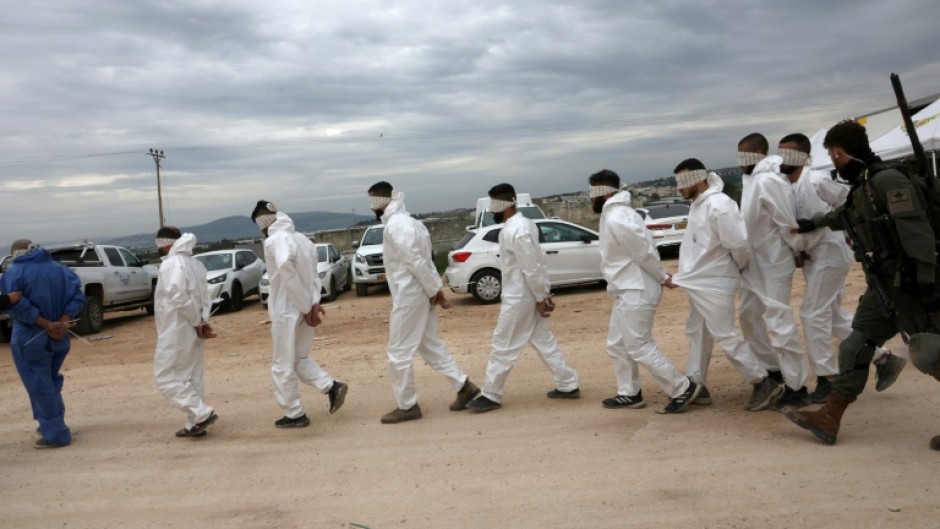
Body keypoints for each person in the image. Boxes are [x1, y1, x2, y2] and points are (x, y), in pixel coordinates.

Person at [783, 120, 939, 447]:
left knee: (931, 354)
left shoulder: (888, 180)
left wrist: (926, 282)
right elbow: (847, 215)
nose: (833, 161)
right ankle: (829, 417)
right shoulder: (864, 185)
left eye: (833, 155)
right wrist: (814, 222)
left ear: (839, 152)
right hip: (885, 284)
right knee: (855, 346)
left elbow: (917, 232)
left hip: (911, 284)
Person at [779, 133, 906, 403]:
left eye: (788, 154)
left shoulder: (816, 180)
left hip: (830, 253)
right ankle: (883, 358)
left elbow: (849, 200)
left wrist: (850, 231)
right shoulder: (787, 186)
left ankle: (828, 377)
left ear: (802, 156)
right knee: (832, 315)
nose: (783, 160)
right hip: (815, 256)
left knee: (813, 314)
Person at [671, 159, 784, 411]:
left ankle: (762, 381)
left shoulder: (719, 204)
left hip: (714, 281)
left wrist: (734, 270)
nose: (679, 188)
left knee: (725, 334)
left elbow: (739, 244)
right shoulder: (698, 205)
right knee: (697, 330)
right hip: (700, 281)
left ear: (699, 179)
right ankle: (696, 383)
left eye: (683, 182)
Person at [588, 169, 701, 414]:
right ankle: (629, 393)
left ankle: (681, 388)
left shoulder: (618, 217)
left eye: (591, 192)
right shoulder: (614, 215)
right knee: (617, 345)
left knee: (639, 345)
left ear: (602, 192)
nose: (589, 198)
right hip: (624, 289)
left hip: (636, 290)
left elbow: (643, 252)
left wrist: (662, 277)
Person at [367, 182, 480, 423]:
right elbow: (426, 261)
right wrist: (434, 289)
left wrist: (432, 289)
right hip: (419, 292)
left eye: (372, 201)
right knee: (429, 345)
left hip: (410, 295)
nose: (371, 207)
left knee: (398, 352)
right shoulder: (413, 224)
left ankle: (407, 406)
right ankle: (464, 387)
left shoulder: (396, 226)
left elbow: (415, 261)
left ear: (380, 201)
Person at [468, 183, 579, 412]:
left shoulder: (517, 229)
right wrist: (542, 293)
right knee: (543, 340)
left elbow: (531, 267)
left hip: (520, 296)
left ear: (505, 204)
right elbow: (536, 264)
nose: (492, 211)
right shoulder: (522, 225)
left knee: (503, 343)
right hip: (526, 293)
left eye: (493, 205)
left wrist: (541, 296)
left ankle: (491, 393)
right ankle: (567, 383)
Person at [251, 200, 348, 428]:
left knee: (282, 363)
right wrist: (313, 302)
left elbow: (286, 270)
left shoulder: (276, 240)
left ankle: (294, 414)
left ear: (262, 223)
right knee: (297, 359)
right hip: (304, 306)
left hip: (288, 309)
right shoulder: (303, 239)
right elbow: (313, 275)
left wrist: (306, 306)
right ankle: (331, 386)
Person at [737, 133, 809, 408]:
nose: (740, 161)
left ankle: (796, 385)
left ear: (758, 153)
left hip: (775, 260)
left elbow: (786, 221)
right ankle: (772, 368)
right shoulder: (752, 180)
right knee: (748, 315)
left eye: (744, 155)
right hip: (754, 262)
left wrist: (797, 248)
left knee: (779, 321)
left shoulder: (768, 181)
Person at [1, 239, 84, 448]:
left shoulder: (13, 273)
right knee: (50, 380)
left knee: (38, 384)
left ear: (14, 254)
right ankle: (52, 423)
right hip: (60, 335)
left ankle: (55, 434)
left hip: (30, 336)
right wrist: (62, 322)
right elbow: (77, 296)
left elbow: (16, 305)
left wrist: (47, 324)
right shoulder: (61, 270)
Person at [153, 226, 219, 438]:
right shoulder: (195, 263)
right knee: (191, 377)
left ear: (165, 244)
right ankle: (194, 424)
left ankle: (201, 413)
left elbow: (178, 296)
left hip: (176, 328)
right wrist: (201, 321)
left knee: (166, 378)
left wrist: (196, 321)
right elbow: (204, 297)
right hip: (192, 325)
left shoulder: (172, 264)